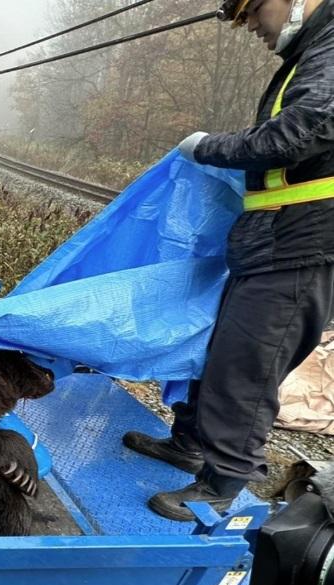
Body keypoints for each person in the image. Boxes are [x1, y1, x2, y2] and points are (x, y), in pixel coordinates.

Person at [123, 0, 334, 521]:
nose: (250, 27)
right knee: (220, 348)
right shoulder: (312, 53)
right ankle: (190, 445)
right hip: (273, 239)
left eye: (251, 11)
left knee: (247, 365)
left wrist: (208, 147)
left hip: (302, 244)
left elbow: (300, 132)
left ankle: (222, 483)